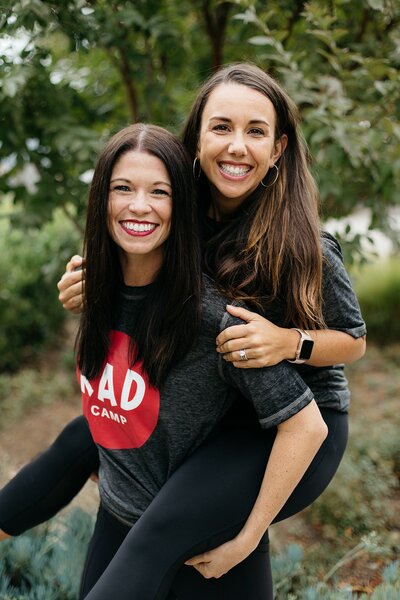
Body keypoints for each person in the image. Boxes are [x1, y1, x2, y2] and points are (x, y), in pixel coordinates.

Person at [0, 64, 366, 599]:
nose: (236, 146)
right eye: (221, 127)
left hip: (297, 420)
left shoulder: (301, 243)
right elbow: (137, 236)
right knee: (87, 437)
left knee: (163, 530)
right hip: (224, 399)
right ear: (195, 137)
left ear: (279, 148)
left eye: (256, 131)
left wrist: (291, 342)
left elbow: (354, 341)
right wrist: (91, 279)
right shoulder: (181, 202)